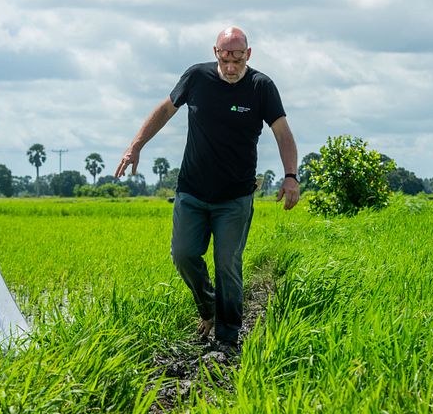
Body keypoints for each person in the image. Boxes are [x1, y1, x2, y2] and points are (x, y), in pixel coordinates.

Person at [115, 26, 300, 353]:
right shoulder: (196, 78)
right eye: (226, 58)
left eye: (238, 59)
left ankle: (227, 340)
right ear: (216, 53)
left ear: (249, 54)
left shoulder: (261, 87)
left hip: (235, 196)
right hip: (192, 191)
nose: (231, 67)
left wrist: (290, 176)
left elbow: (283, 133)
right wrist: (135, 145)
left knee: (227, 263)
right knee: (184, 255)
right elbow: (165, 110)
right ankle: (208, 306)